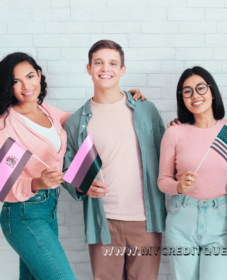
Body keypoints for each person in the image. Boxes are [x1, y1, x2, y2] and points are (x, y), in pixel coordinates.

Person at [61, 40, 166, 280]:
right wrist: (80, 184)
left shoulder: (145, 109)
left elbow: (167, 154)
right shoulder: (76, 121)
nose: (105, 68)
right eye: (98, 62)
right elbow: (66, 169)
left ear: (122, 70)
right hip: (103, 223)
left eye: (112, 63)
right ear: (89, 68)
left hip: (145, 221)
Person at [158, 66, 227, 279]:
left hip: (220, 219)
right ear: (182, 99)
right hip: (182, 217)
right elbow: (162, 180)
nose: (195, 95)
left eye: (201, 88)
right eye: (187, 91)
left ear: (212, 92)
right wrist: (178, 186)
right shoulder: (175, 132)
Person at [0, 52, 77, 279]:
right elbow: (4, 183)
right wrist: (37, 182)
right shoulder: (8, 126)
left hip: (48, 210)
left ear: (39, 75)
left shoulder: (46, 110)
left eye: (30, 76)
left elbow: (77, 120)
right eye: (16, 81)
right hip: (23, 215)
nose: (26, 86)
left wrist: (119, 99)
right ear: (8, 86)